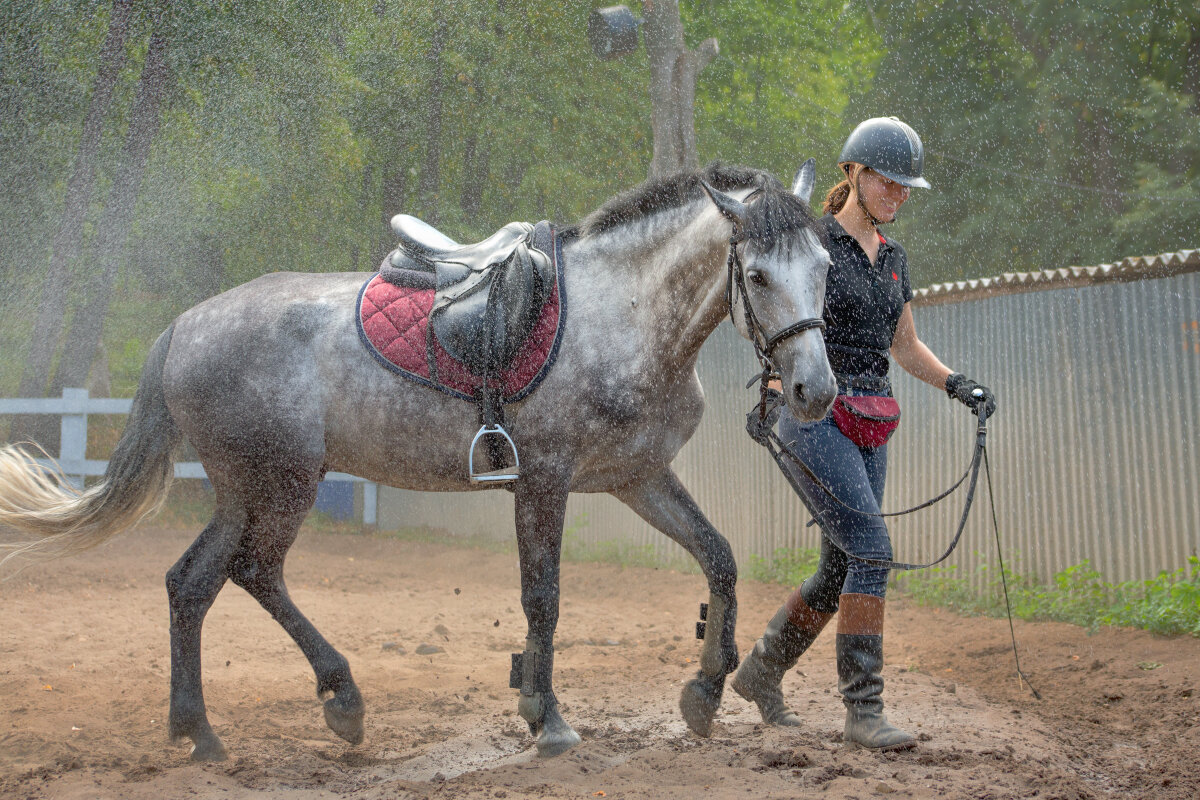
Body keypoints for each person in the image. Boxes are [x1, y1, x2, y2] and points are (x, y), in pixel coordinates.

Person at [731, 117, 997, 751]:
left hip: (873, 415)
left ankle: (762, 671)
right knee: (873, 549)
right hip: (812, 414)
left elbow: (904, 344)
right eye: (890, 182)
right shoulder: (814, 239)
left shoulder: (895, 259)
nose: (900, 195)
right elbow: (778, 311)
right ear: (853, 173)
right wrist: (771, 382)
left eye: (908, 187)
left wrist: (959, 385)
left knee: (839, 568)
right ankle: (863, 710)